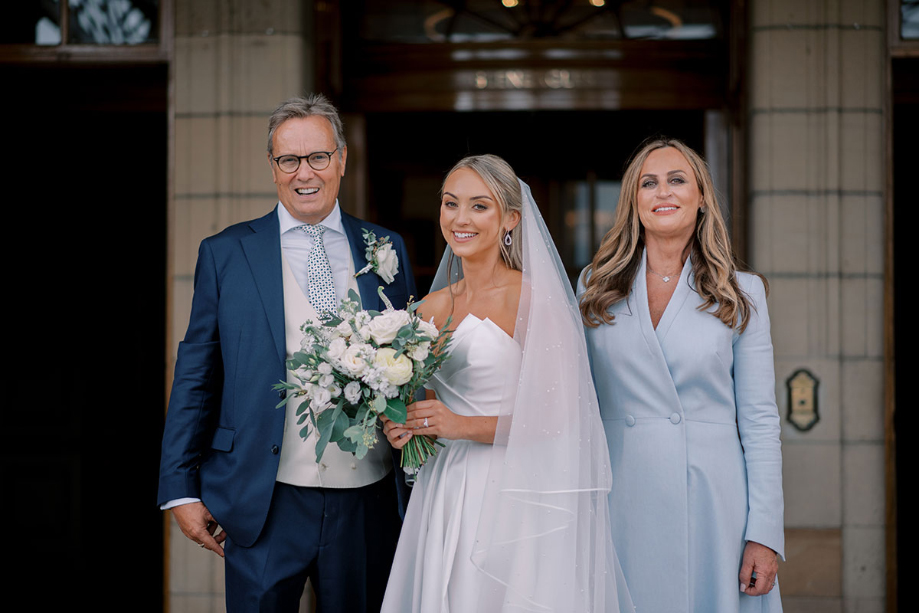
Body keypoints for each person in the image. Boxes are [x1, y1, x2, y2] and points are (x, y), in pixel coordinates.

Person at [156, 94, 416, 612]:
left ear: (342, 159)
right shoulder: (226, 252)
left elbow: (409, 365)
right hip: (262, 496)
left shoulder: (385, 247)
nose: (305, 173)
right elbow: (196, 374)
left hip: (367, 495)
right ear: (272, 167)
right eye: (289, 160)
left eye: (318, 157)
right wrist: (179, 489)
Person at [380, 154, 632, 612]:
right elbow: (428, 404)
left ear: (511, 218)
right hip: (446, 488)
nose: (460, 219)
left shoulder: (536, 300)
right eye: (450, 203)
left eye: (479, 206)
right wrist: (404, 428)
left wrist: (458, 425)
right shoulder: (426, 311)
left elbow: (559, 421)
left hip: (515, 490)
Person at [578, 138, 784, 612]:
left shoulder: (742, 293)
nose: (662, 192)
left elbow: (759, 420)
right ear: (634, 200)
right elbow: (573, 399)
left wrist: (765, 532)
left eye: (677, 180)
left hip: (713, 502)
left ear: (702, 197)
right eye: (648, 183)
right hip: (619, 493)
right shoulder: (594, 286)